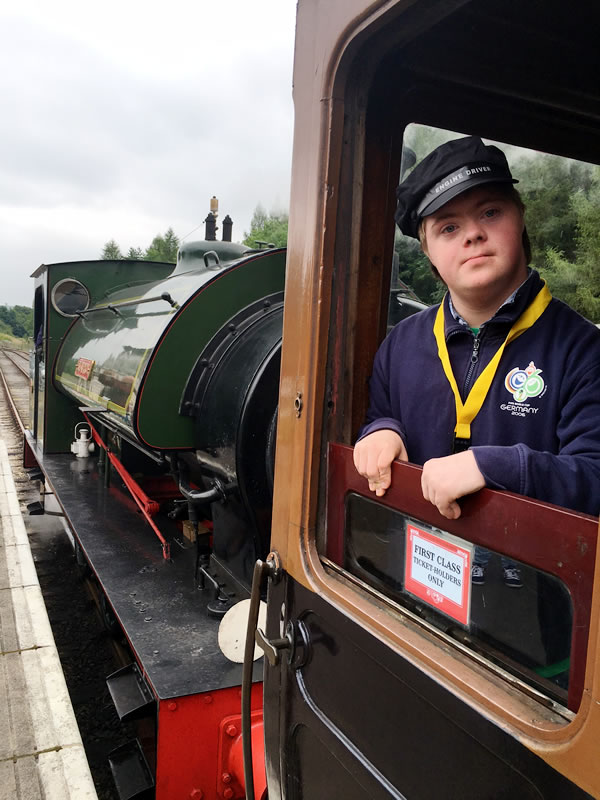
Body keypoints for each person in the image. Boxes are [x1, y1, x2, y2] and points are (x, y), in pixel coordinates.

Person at [353, 135, 600, 587]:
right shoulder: (400, 344)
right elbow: (383, 414)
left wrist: (495, 466)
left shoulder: (584, 350)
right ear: (427, 250)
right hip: (416, 594)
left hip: (537, 618)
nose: (472, 234)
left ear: (520, 216)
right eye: (448, 227)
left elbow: (594, 475)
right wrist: (381, 431)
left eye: (490, 212)